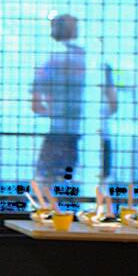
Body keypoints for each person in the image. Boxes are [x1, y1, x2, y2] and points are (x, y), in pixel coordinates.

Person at [29, 14, 114, 185]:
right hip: (97, 131)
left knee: (48, 179)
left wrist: (58, 112)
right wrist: (95, 116)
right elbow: (113, 103)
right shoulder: (97, 61)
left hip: (61, 132)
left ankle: (53, 200)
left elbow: (36, 105)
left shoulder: (49, 62)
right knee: (100, 180)